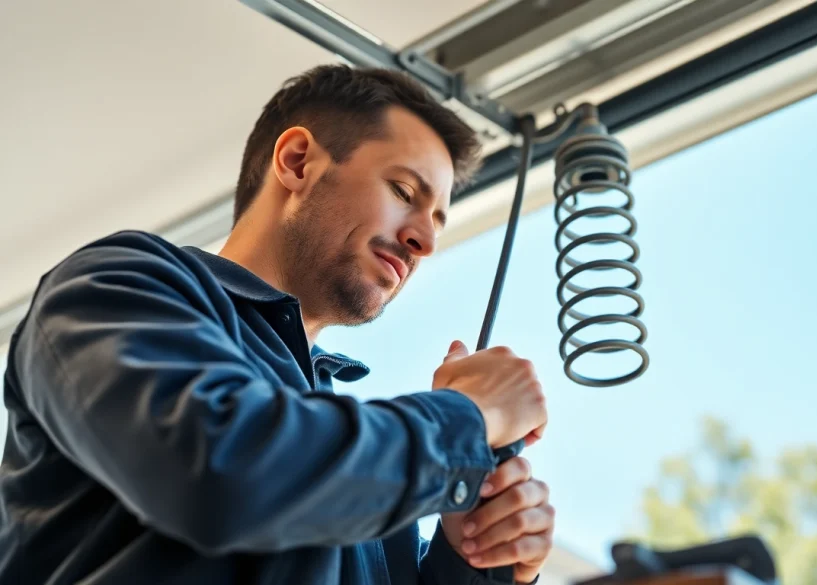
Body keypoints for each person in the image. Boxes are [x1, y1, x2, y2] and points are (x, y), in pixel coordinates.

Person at [0, 63, 554, 585]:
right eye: (404, 192)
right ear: (295, 162)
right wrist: (468, 420)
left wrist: (474, 556)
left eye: (437, 222)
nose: (425, 242)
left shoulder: (358, 469)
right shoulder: (115, 285)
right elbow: (218, 475)